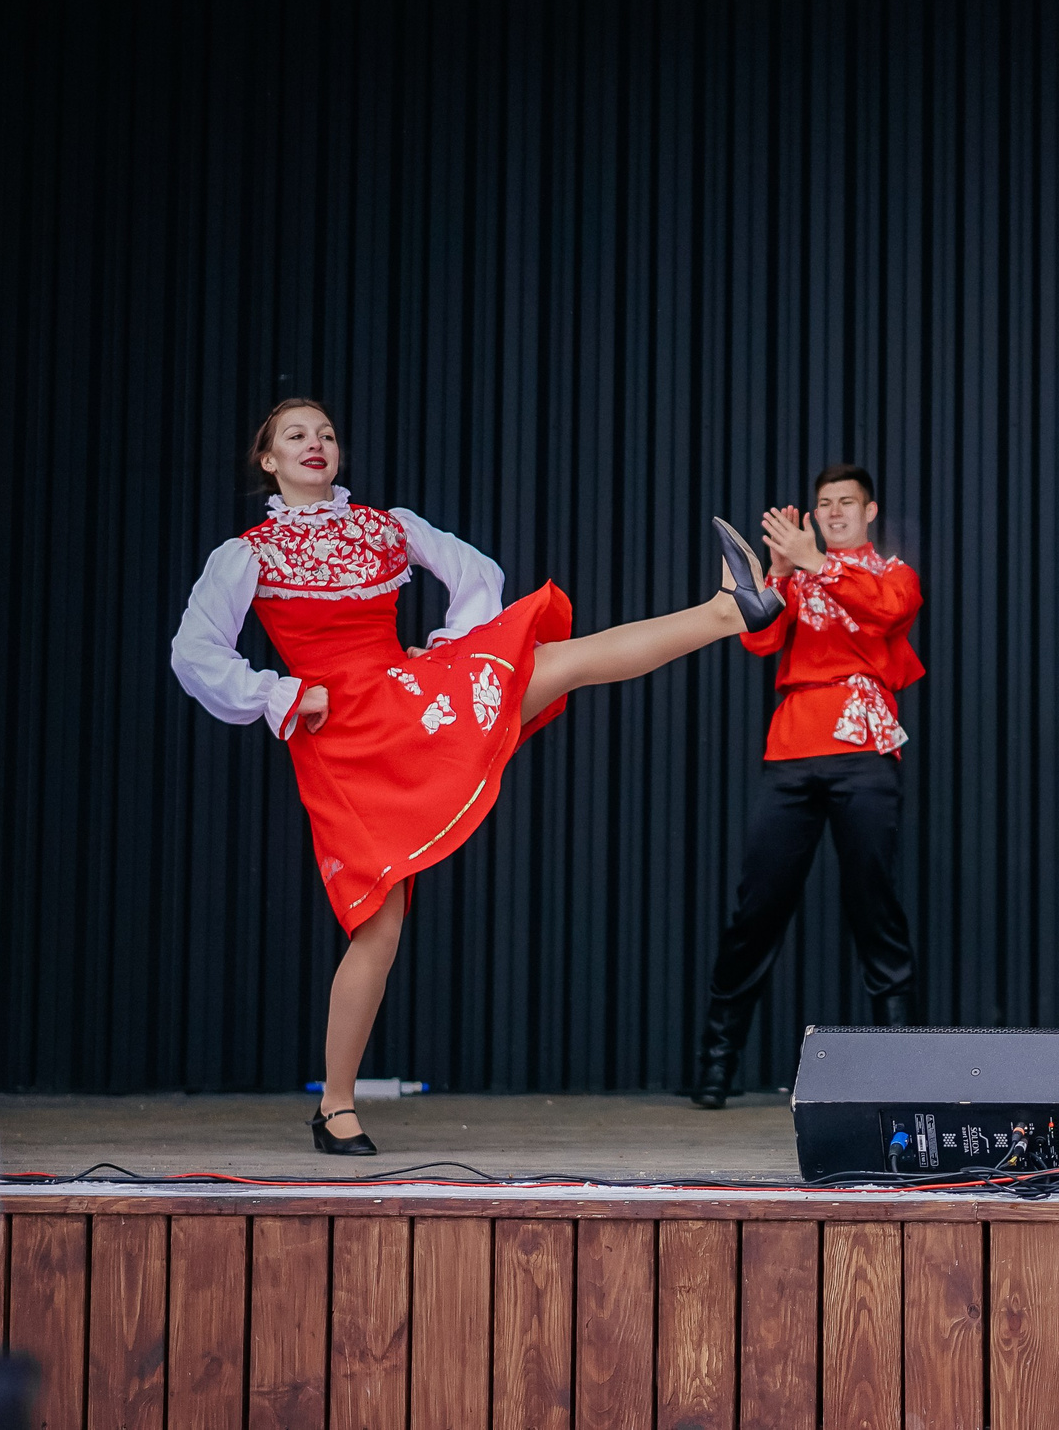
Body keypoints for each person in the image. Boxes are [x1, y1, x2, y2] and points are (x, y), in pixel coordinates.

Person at [171, 399, 782, 1153]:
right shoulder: (251, 553)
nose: (317, 444)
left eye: (327, 432)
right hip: (338, 737)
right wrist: (283, 692)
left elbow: (475, 573)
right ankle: (335, 1105)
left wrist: (447, 652)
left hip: (406, 698)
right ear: (267, 459)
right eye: (296, 435)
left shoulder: (387, 527)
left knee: (558, 662)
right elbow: (195, 653)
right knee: (378, 923)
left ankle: (728, 612)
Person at [687, 464, 924, 1108]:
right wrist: (783, 572)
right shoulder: (796, 576)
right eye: (826, 504)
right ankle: (715, 1065)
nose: (837, 511)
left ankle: (902, 1074)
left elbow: (888, 612)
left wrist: (815, 563)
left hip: (865, 747)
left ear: (870, 511)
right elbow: (759, 641)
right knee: (757, 908)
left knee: (875, 906)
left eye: (848, 502)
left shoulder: (890, 571)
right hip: (793, 746)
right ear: (814, 514)